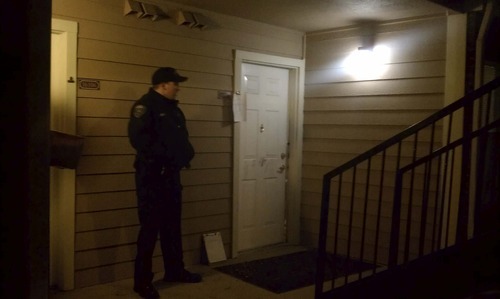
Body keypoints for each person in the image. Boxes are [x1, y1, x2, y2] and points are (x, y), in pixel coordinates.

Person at [128, 67, 201, 299]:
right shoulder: (145, 106)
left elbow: (180, 139)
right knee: (149, 230)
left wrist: (184, 155)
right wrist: (165, 158)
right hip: (152, 177)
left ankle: (174, 270)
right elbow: (139, 140)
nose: (178, 87)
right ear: (163, 85)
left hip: (171, 175)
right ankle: (142, 282)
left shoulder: (173, 109)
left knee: (172, 226)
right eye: (175, 83)